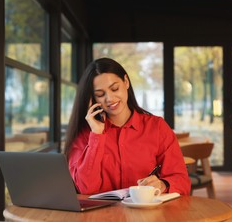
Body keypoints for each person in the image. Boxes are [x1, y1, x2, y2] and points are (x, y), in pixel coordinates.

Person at [65, 57, 191, 195]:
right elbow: (86, 189)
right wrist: (96, 135)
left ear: (126, 82)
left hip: (147, 215)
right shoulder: (85, 135)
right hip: (102, 216)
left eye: (115, 88)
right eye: (100, 94)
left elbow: (182, 180)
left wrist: (163, 184)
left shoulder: (157, 127)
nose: (110, 99)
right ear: (92, 98)